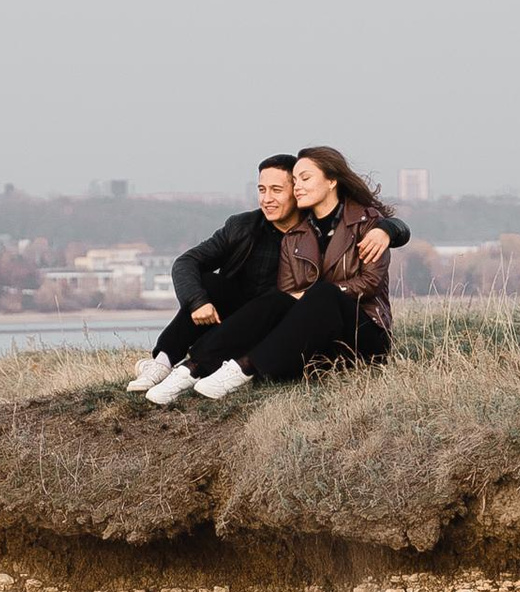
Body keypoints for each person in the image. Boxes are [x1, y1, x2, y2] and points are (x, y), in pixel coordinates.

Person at [144, 145, 402, 405]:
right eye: (295, 180)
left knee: (324, 293)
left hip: (364, 333)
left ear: (332, 181)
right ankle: (190, 368)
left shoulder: (368, 224)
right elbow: (286, 296)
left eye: (304, 179)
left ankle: (241, 369)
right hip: (318, 334)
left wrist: (387, 229)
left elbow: (370, 283)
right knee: (274, 299)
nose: (298, 186)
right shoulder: (295, 234)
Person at [127, 157, 302, 393]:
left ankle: (193, 367)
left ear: (297, 191)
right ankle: (162, 363)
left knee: (275, 302)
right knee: (209, 282)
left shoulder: (314, 233)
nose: (267, 199)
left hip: (275, 323)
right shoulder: (243, 226)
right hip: (231, 315)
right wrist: (198, 302)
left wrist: (373, 230)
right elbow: (186, 262)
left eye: (276, 190)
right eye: (262, 190)